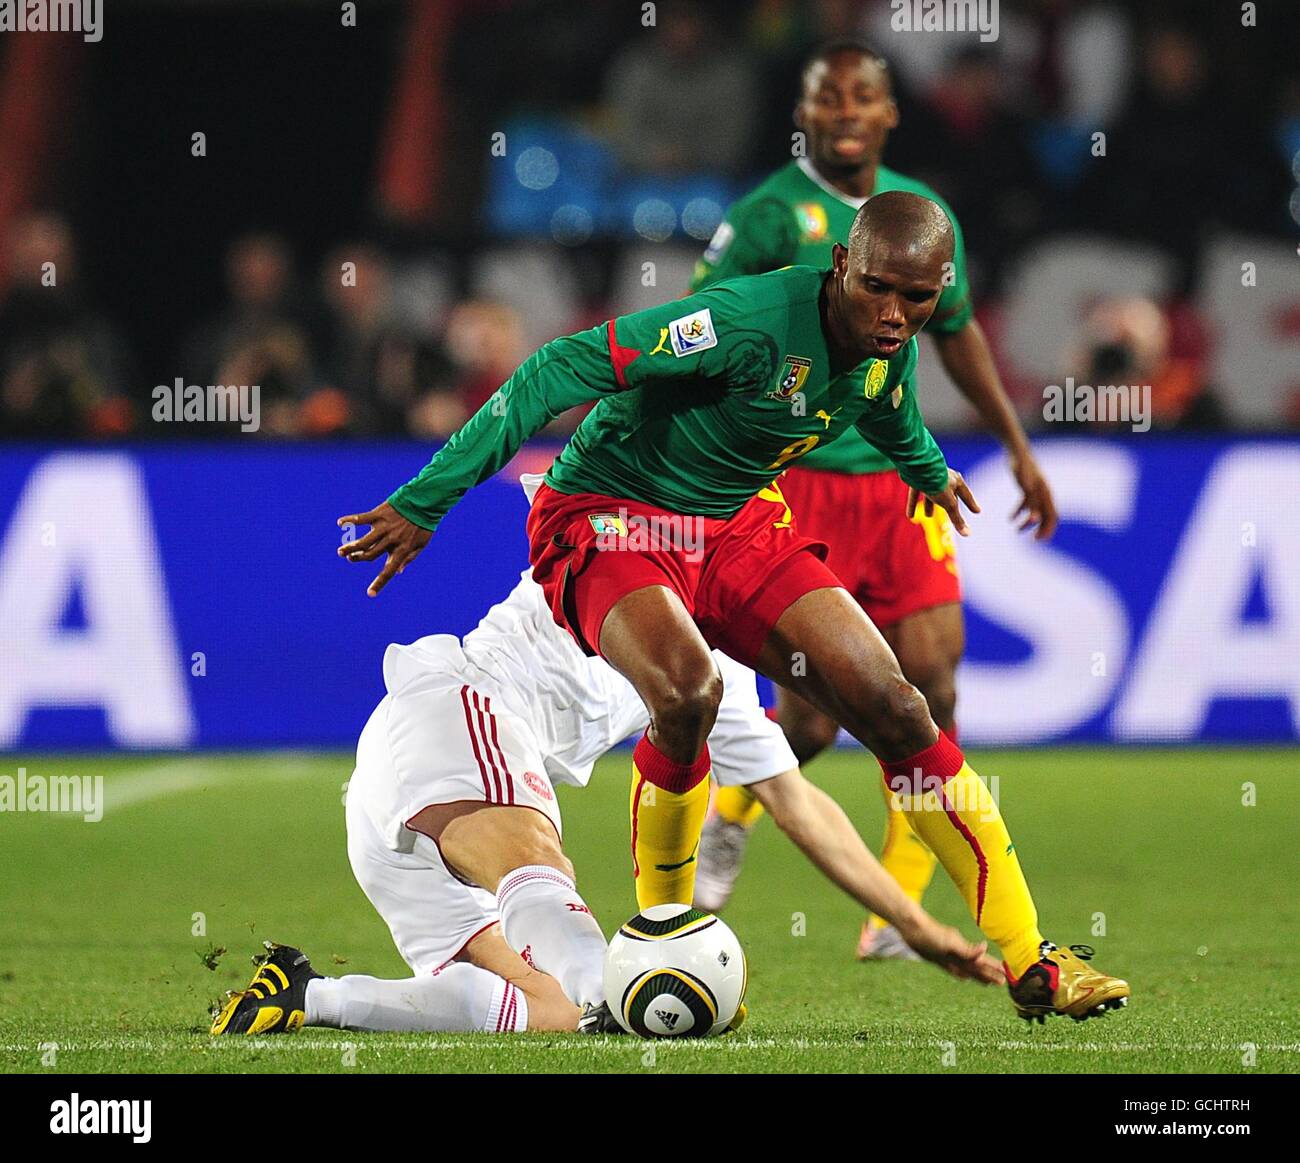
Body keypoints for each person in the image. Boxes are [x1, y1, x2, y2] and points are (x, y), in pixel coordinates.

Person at [337, 190, 1129, 1021]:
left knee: (900, 707)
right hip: (610, 512)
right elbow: (554, 368)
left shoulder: (887, 341)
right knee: (687, 692)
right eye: (879, 290)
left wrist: (927, 468)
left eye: (918, 297)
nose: (896, 315)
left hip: (737, 525)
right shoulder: (742, 321)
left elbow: (890, 408)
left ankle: (1033, 954)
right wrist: (427, 499)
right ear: (840, 266)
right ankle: (662, 929)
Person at [211, 554, 997, 1037]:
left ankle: (310, 995)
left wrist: (919, 925)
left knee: (553, 1009)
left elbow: (797, 804)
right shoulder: (618, 540)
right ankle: (626, 988)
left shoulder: (710, 676)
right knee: (556, 893)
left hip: (414, 818)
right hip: (458, 718)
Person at [688, 42, 1059, 960]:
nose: (846, 112)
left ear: (891, 113)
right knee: (815, 716)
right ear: (805, 112)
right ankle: (734, 808)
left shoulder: (921, 220)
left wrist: (1016, 448)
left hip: (898, 477)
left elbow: (962, 335)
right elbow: (703, 333)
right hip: (801, 478)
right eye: (828, 98)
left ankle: (901, 896)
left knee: (932, 674)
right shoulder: (769, 215)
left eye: (863, 98)